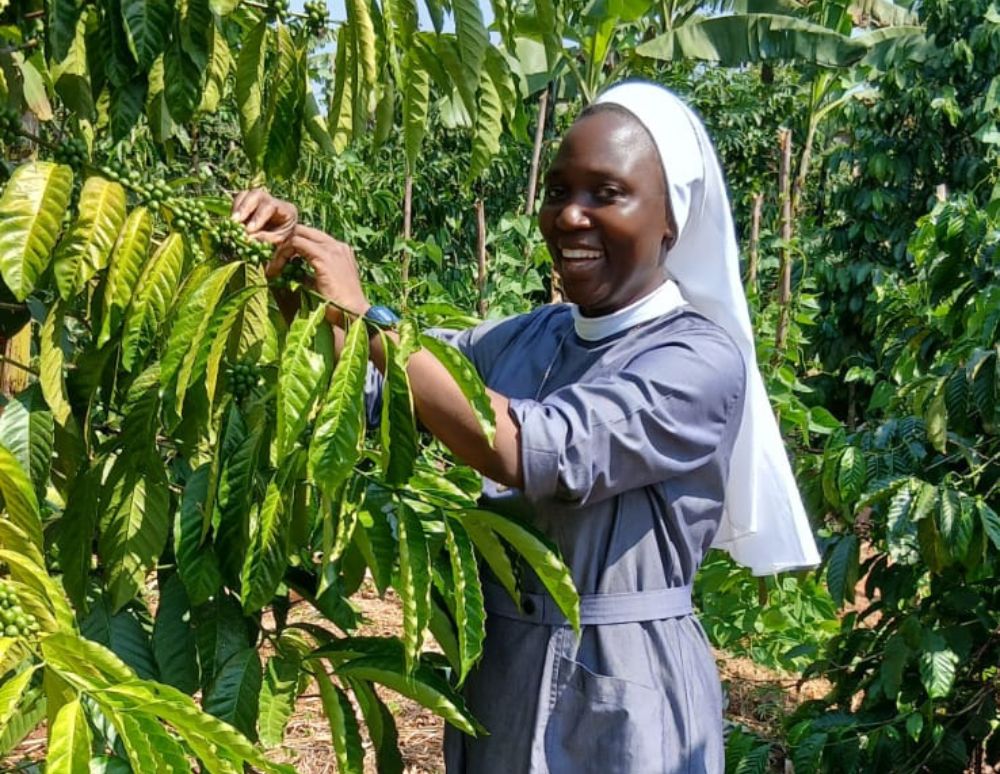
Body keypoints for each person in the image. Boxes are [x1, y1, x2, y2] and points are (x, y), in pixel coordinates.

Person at [233, 80, 820, 774]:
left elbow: (539, 447)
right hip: (506, 671)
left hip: (623, 685)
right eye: (558, 191)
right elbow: (382, 389)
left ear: (671, 220)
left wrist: (369, 318)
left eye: (606, 193)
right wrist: (286, 282)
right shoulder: (531, 335)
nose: (570, 216)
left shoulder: (697, 358)